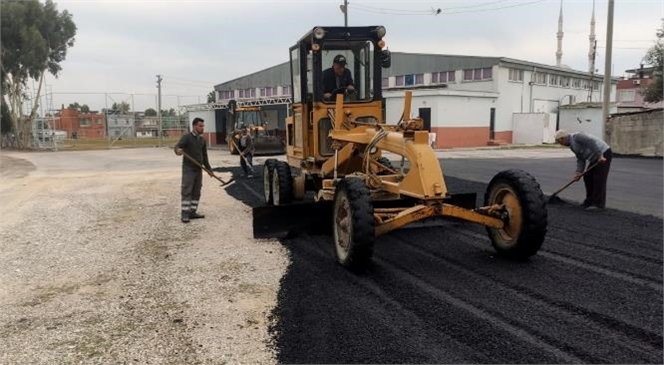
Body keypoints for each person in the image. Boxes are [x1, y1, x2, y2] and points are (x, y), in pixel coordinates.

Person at [554, 130, 612, 211]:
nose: (561, 145)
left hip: (604, 153)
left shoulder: (577, 137)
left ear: (563, 138)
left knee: (599, 179)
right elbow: (581, 159)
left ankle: (598, 204)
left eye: (560, 142)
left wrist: (600, 155)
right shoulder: (572, 146)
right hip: (595, 158)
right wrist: (578, 172)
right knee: (587, 177)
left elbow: (591, 142)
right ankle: (589, 201)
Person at [174, 117, 215, 223]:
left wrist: (209, 169)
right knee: (187, 190)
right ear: (194, 126)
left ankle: (192, 212)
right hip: (189, 169)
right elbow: (178, 147)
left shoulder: (202, 140)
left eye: (203, 126)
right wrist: (178, 151)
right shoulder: (187, 137)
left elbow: (204, 156)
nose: (202, 128)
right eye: (200, 126)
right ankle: (185, 214)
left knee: (197, 191)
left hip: (198, 169)